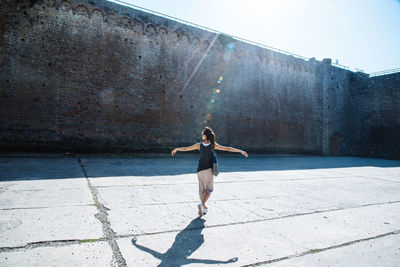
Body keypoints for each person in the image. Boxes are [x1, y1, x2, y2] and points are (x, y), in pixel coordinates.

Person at [171, 127, 248, 216]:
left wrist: (177, 149)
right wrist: (241, 151)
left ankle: (203, 207)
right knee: (210, 190)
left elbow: (186, 148)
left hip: (200, 171)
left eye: (202, 134)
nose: (201, 135)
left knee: (202, 190)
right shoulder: (213, 145)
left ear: (204, 136)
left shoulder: (198, 145)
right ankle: (202, 205)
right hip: (209, 171)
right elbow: (228, 148)